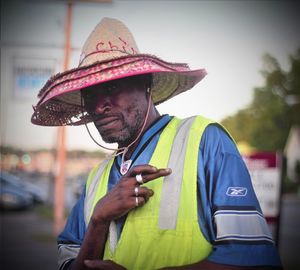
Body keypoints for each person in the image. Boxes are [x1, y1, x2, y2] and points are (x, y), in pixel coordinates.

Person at [31, 18, 282, 270]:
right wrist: (98, 219)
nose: (98, 106)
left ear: (146, 84)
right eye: (90, 94)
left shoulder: (204, 140)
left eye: (112, 86)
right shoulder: (97, 178)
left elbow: (255, 260)